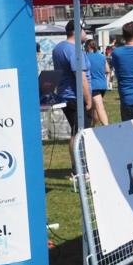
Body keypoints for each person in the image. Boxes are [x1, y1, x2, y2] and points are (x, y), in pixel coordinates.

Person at [52, 20, 92, 173]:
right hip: (75, 97)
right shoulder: (73, 50)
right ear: (77, 31)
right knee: (81, 134)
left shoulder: (59, 48)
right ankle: (81, 169)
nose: (86, 33)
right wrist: (88, 100)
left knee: (76, 132)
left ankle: (78, 167)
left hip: (66, 95)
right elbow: (80, 76)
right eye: (84, 30)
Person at [84, 39, 110, 126]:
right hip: (102, 85)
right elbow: (107, 70)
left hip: (93, 85)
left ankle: (107, 128)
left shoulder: (85, 57)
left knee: (99, 107)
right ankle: (93, 127)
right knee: (94, 108)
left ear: (87, 47)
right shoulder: (102, 57)